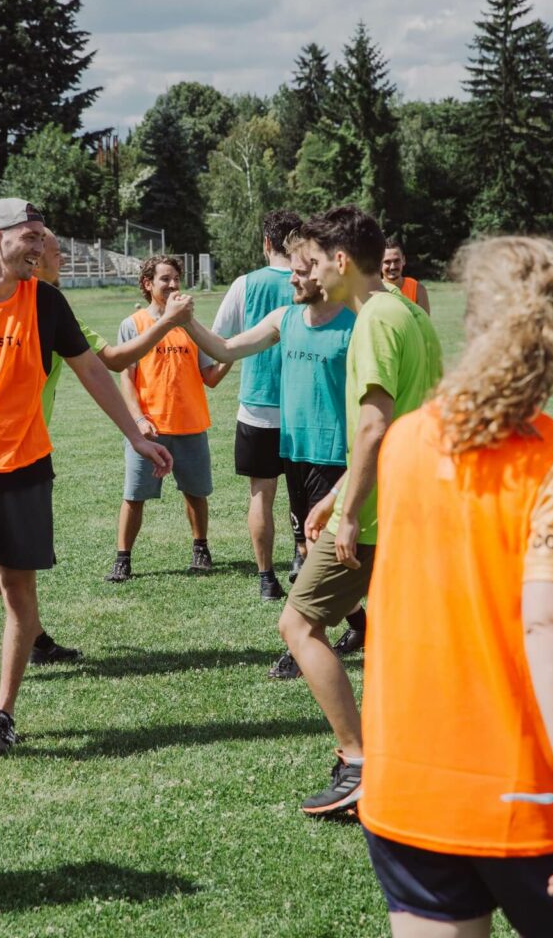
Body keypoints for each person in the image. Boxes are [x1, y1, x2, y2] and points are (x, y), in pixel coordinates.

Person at [360, 236, 553, 938]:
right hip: (530, 796)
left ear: (470, 324)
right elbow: (549, 624)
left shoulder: (403, 443)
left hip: (407, 788)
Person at [0, 199, 172, 771]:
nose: (40, 246)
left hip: (27, 465)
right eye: (30, 236)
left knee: (21, 596)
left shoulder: (46, 301)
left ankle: (2, 714)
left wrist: (136, 436)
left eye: (42, 237)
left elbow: (93, 372)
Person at [277, 205, 442, 816]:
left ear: (342, 262)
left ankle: (358, 761)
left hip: (376, 513)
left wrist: (349, 512)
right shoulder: (410, 314)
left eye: (316, 262)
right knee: (400, 643)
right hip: (409, 502)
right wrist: (333, 492)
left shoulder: (373, 320)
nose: (311, 273)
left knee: (298, 625)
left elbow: (374, 424)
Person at [179, 235, 362, 670]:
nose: (293, 279)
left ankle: (300, 642)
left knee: (314, 558)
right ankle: (360, 624)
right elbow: (225, 349)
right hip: (294, 452)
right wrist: (185, 322)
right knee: (306, 549)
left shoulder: (357, 323)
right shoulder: (286, 317)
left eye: (300, 272)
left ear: (322, 273)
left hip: (336, 457)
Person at [104, 256, 228, 583]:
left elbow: (210, 377)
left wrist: (232, 355)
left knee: (196, 493)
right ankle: (123, 558)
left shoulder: (191, 326)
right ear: (148, 284)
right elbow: (126, 378)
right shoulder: (134, 324)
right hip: (149, 431)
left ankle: (200, 549)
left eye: (176, 279)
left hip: (190, 426)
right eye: (165, 279)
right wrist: (138, 419)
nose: (173, 285)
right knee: (134, 496)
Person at [212, 210, 302, 600]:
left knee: (260, 495)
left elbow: (220, 342)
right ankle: (303, 559)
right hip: (304, 408)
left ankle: (267, 578)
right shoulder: (313, 281)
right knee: (307, 495)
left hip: (257, 406)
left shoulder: (246, 284)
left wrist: (213, 372)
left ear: (266, 243)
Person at [381, 239, 431, 314]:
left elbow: (424, 324)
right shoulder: (373, 290)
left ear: (403, 260)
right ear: (379, 264)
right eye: (387, 262)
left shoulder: (417, 289)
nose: (392, 267)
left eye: (396, 261)